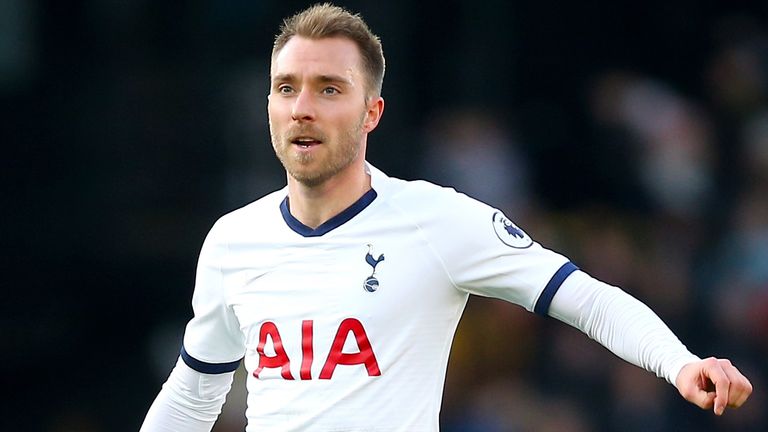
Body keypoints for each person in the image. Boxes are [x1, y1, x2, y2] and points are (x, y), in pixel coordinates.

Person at [140, 3, 753, 431]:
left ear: (372, 111)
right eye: (286, 87)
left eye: (329, 88)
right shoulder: (232, 241)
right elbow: (194, 394)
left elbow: (587, 300)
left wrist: (680, 363)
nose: (303, 108)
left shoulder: (434, 222)